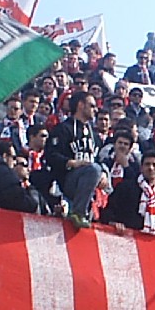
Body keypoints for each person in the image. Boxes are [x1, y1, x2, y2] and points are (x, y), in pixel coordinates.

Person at [45, 91, 108, 229]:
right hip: (66, 181)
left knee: (100, 172)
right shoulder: (62, 129)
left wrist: (103, 173)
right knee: (94, 169)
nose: (95, 110)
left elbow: (98, 160)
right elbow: (50, 155)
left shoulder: (94, 136)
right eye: (91, 105)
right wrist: (71, 163)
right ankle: (78, 213)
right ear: (80, 105)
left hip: (89, 184)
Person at [104, 150, 155, 235]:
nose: (151, 168)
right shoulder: (125, 187)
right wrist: (113, 223)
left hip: (148, 241)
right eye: (147, 164)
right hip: (122, 237)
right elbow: (107, 211)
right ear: (141, 168)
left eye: (154, 165)